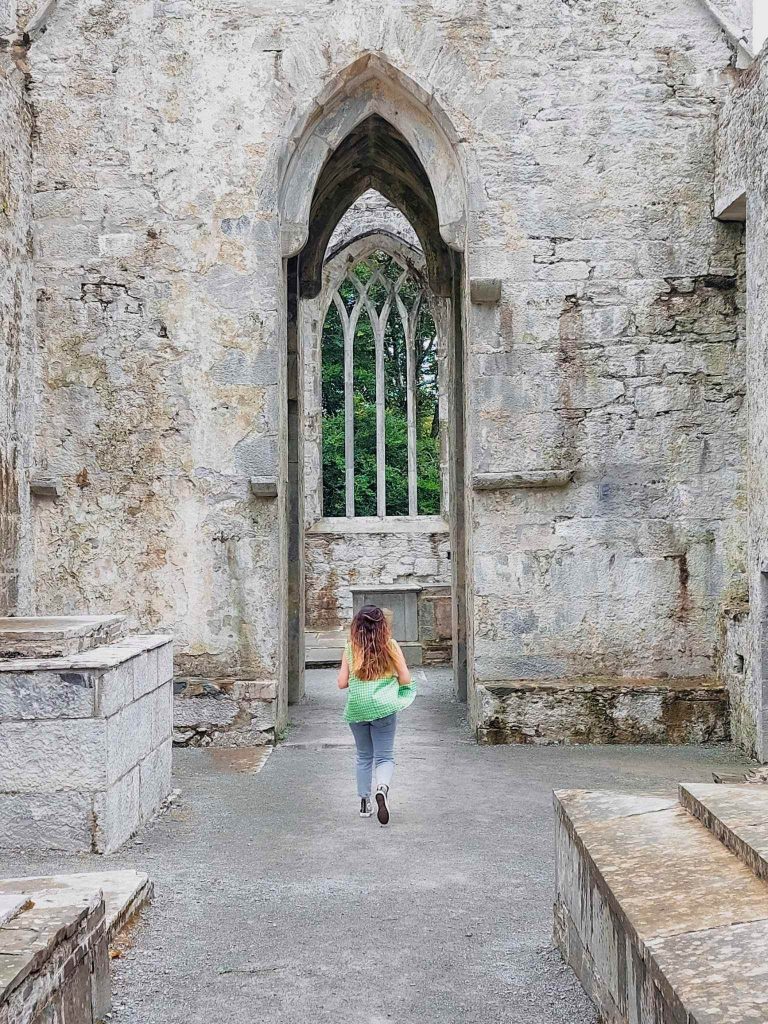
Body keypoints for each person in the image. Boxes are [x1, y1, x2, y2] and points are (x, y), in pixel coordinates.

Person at [337, 604, 415, 825]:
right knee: (384, 756)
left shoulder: (350, 648)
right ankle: (382, 788)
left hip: (358, 708)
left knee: (363, 756)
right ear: (383, 626)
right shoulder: (390, 646)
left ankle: (364, 802)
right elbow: (406, 678)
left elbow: (342, 683)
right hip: (383, 708)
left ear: (356, 626)